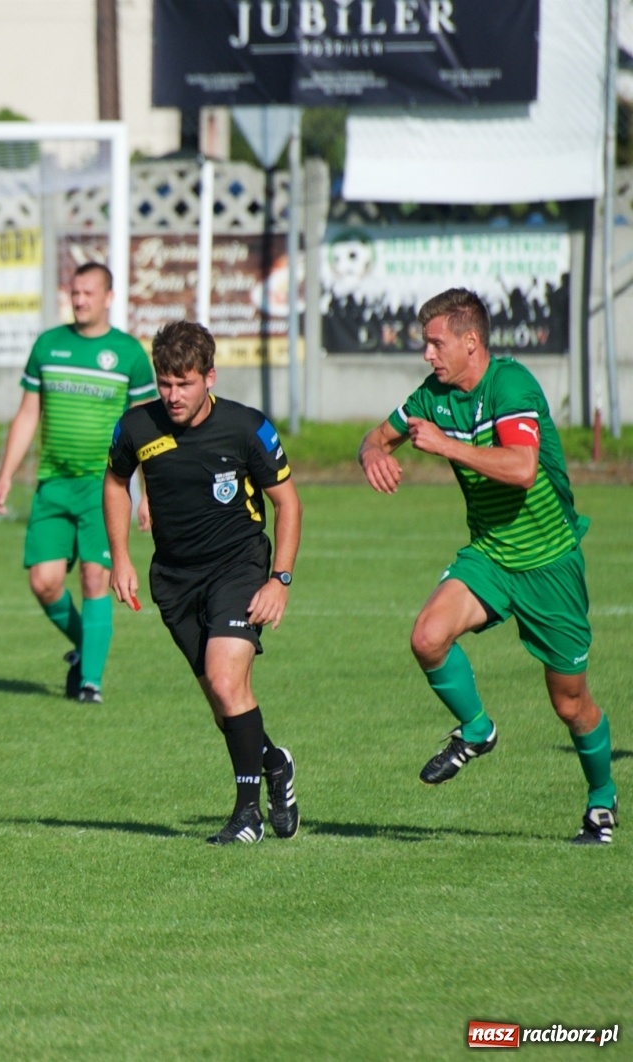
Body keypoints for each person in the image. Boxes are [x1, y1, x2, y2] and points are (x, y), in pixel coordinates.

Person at [359, 288, 616, 845]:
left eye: (435, 343)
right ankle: (477, 730)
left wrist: (447, 447)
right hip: (492, 555)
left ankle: (601, 802)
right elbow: (377, 435)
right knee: (427, 637)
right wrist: (373, 452)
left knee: (570, 702)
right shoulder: (434, 395)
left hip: (550, 563)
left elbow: (523, 468)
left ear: (470, 341)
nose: (428, 356)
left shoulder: (511, 384)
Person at [104, 320, 301, 845]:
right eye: (164, 383)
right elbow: (115, 482)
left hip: (238, 567)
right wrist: (120, 557)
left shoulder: (247, 428)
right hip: (174, 579)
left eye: (184, 384)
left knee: (226, 680)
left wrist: (279, 579)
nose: (172, 395)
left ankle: (247, 815)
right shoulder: (135, 428)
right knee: (223, 702)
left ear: (209, 377)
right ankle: (274, 764)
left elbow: (287, 502)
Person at [0, 262, 154, 704]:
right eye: (74, 292)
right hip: (53, 483)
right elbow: (28, 414)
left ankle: (90, 683)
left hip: (105, 487)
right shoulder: (49, 346)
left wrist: (147, 495)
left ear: (108, 297)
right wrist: (6, 473)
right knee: (43, 582)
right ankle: (87, 648)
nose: (80, 300)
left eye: (88, 293)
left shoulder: (129, 355)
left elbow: (146, 430)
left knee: (94, 577)